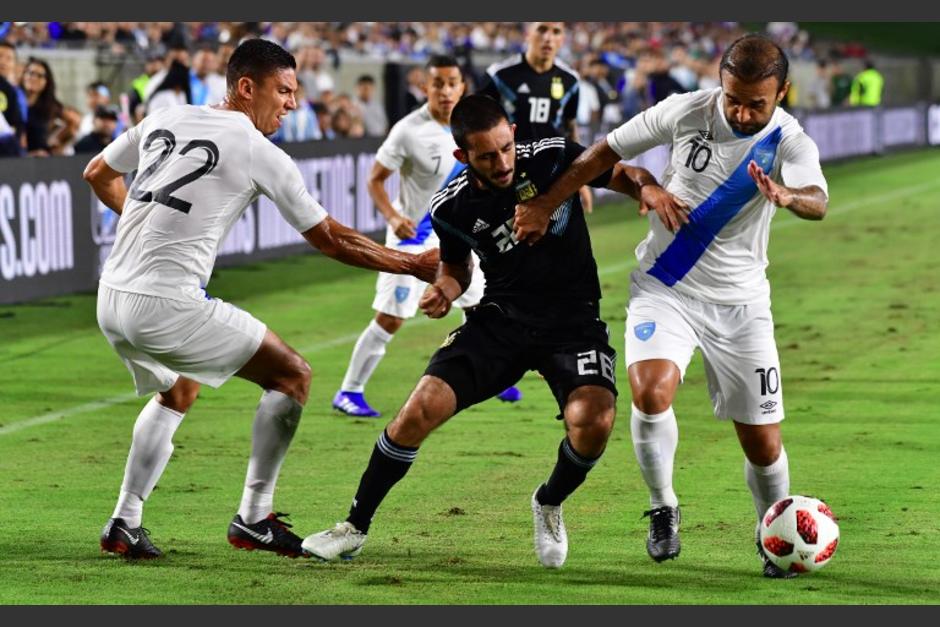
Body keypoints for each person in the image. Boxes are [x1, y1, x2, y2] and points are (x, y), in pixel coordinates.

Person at [82, 38, 438, 561]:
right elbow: (330, 239)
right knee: (292, 375)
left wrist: (149, 230)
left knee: (180, 389)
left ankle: (124, 523)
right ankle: (253, 518)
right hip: (164, 304)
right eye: (284, 90)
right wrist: (414, 264)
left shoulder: (170, 113)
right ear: (246, 88)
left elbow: (97, 173)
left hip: (111, 297)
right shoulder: (256, 148)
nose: (292, 103)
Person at [513, 34, 829, 578]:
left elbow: (818, 201)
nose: (742, 110)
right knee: (650, 391)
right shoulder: (686, 110)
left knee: (761, 439)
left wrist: (786, 195)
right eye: (734, 97)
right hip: (667, 286)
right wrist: (545, 201)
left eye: (757, 102)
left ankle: (770, 532)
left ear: (782, 92)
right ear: (721, 82)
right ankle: (663, 506)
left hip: (741, 304)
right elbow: (605, 151)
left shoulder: (789, 142)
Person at [301, 94, 657, 568]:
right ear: (462, 156)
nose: (503, 161)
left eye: (507, 147)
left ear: (513, 132)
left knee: (595, 420)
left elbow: (620, 172)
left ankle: (548, 501)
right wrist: (445, 290)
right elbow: (457, 270)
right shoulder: (452, 206)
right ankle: (354, 526)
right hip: (501, 321)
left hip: (574, 322)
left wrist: (647, 189)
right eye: (487, 156)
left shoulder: (550, 154)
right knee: (419, 408)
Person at [333, 56, 521, 419]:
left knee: (478, 306)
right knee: (391, 318)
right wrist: (392, 215)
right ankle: (348, 391)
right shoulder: (408, 130)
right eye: (438, 84)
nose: (446, 91)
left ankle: (491, 374)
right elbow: (374, 178)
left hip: (456, 235)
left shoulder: (469, 129)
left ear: (463, 87)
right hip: (414, 238)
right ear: (426, 87)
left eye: (453, 83)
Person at [479, 22, 593, 213]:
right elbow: (479, 126)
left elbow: (570, 127)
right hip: (509, 173)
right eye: (542, 29)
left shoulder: (570, 79)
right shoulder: (499, 75)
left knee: (561, 239)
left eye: (556, 32)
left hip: (554, 174)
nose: (548, 37)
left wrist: (581, 180)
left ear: (562, 39)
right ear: (528, 34)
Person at [21, 57, 80, 156]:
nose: (34, 78)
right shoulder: (13, 99)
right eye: (30, 73)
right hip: (13, 160)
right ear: (23, 75)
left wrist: (59, 144)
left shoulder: (51, 106)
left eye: (40, 76)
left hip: (40, 162)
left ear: (46, 81)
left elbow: (74, 121)